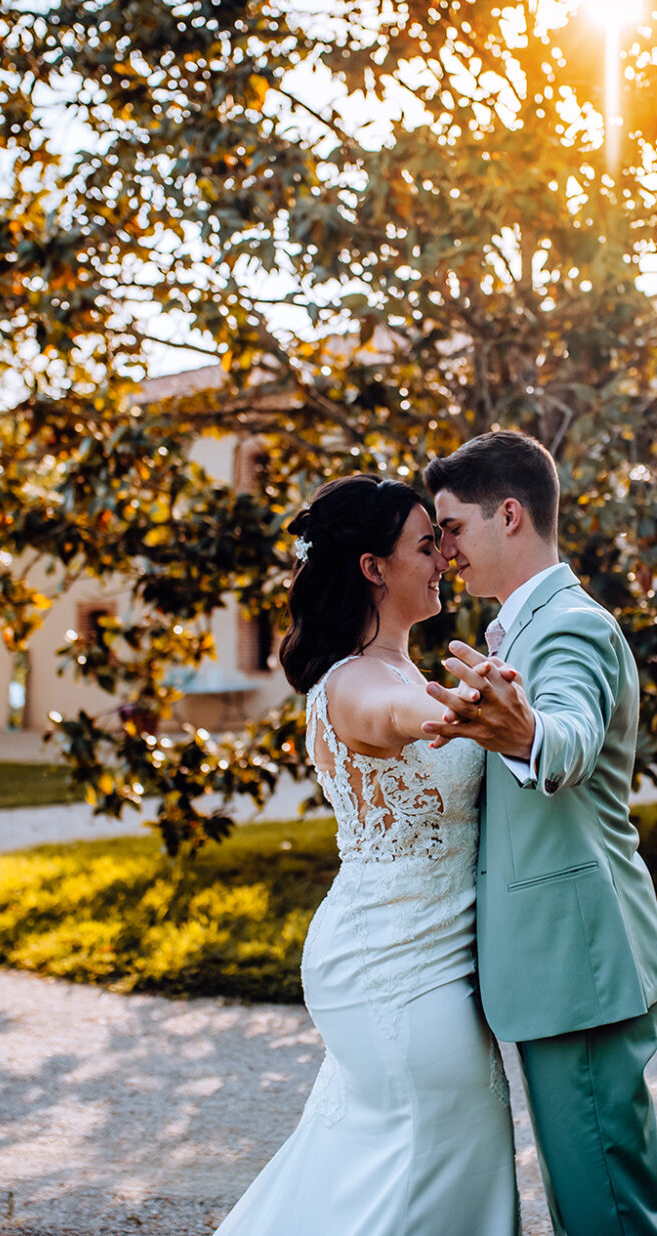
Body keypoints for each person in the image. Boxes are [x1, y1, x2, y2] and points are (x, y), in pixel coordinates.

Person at [213, 473, 519, 1236]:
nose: (444, 559)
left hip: (418, 951)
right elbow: (399, 713)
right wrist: (456, 710)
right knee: (437, 1163)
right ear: (372, 567)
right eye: (426, 545)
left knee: (392, 1163)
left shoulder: (398, 671)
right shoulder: (359, 685)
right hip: (395, 965)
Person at [420, 430, 657, 1236]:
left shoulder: (569, 627)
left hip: (578, 966)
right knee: (590, 1203)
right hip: (563, 967)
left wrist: (529, 735)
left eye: (452, 528)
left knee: (606, 1211)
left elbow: (569, 732)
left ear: (508, 515)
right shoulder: (526, 627)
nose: (444, 550)